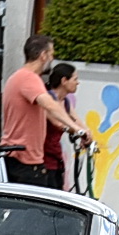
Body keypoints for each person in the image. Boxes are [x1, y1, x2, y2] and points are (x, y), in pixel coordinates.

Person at [0, 35, 92, 186]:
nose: (51, 58)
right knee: (38, 209)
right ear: (43, 56)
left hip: (17, 157)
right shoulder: (29, 78)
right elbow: (50, 105)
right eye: (51, 54)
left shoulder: (16, 78)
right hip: (26, 161)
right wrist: (77, 130)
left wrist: (80, 129)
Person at [39, 62, 85, 190]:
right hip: (43, 161)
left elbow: (76, 120)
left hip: (56, 160)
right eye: (75, 79)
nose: (77, 83)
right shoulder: (47, 99)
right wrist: (77, 132)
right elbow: (58, 123)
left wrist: (87, 134)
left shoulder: (65, 102)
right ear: (64, 80)